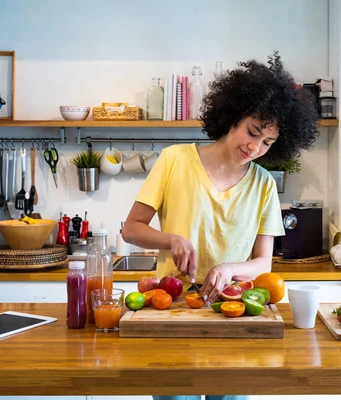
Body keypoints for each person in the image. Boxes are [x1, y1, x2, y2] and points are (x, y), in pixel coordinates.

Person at [122, 52, 319, 400]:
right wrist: (172, 239)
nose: (254, 147)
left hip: (234, 313)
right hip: (176, 308)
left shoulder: (264, 184)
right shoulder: (174, 160)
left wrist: (231, 269)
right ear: (232, 116)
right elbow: (131, 228)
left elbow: (264, 263)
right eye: (252, 132)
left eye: (267, 143)